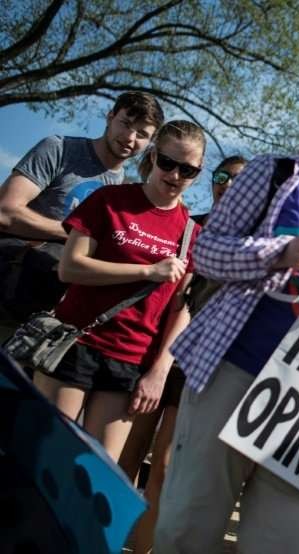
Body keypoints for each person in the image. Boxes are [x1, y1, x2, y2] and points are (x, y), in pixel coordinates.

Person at [154, 70, 299, 554]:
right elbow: (208, 252)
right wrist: (281, 252)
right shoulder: (274, 173)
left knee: (281, 538)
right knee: (191, 523)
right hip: (234, 366)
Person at [32, 120, 204, 462]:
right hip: (74, 343)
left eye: (187, 169)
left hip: (129, 360)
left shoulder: (190, 233)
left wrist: (159, 371)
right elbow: (71, 267)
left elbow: (179, 309)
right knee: (46, 462)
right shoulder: (110, 200)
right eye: (168, 163)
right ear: (153, 157)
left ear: (197, 172)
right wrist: (147, 271)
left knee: (96, 475)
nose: (174, 175)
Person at [117, 154, 244, 554]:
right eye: (221, 175)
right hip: (154, 347)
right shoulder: (190, 226)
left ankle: (142, 548)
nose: (226, 184)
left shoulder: (254, 244)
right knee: (125, 456)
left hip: (199, 363)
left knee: (166, 466)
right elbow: (177, 298)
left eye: (238, 179)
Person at [0, 92, 164, 334]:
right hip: (8, 285)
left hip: (47, 318)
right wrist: (76, 233)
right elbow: (5, 211)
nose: (130, 137)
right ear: (110, 117)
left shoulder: (124, 193)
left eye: (141, 134)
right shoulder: (59, 149)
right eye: (126, 124)